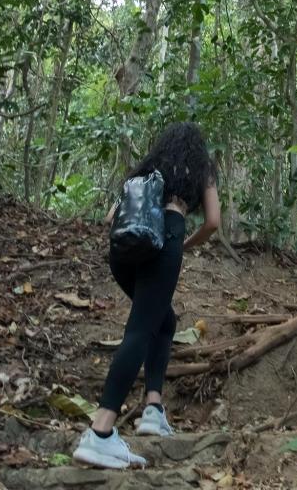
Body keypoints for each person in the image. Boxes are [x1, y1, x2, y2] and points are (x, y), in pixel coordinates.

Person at [73, 122, 220, 469]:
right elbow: (213, 221)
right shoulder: (202, 168)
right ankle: (101, 432)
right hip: (165, 236)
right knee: (141, 329)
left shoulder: (149, 168)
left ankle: (153, 408)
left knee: (164, 320)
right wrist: (181, 243)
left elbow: (111, 216)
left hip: (124, 248)